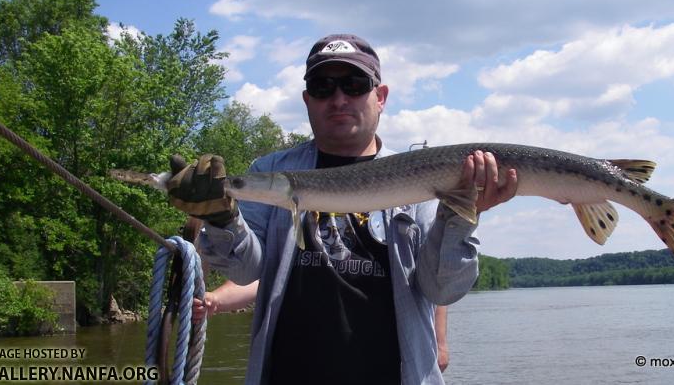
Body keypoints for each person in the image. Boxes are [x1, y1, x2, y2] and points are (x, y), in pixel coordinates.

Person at [167, 33, 518, 385]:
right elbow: (247, 271)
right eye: (323, 86)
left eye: (354, 85)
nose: (338, 99)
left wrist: (459, 215)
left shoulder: (421, 175)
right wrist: (221, 216)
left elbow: (441, 290)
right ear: (307, 100)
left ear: (380, 97)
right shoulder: (269, 171)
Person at [193, 280, 451, 372]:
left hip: (385, 366)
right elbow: (265, 274)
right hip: (300, 364)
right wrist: (217, 299)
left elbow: (432, 275)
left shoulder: (402, 173)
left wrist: (439, 343)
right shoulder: (293, 181)